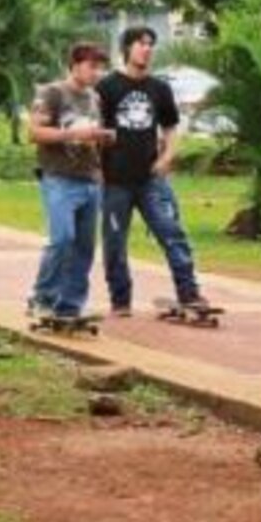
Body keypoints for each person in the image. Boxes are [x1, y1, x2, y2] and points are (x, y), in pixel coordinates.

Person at [97, 25, 206, 315]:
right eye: (141, 44)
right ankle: (120, 299)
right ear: (127, 48)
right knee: (114, 242)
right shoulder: (107, 87)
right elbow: (95, 130)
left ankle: (189, 292)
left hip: (150, 179)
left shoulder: (159, 88)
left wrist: (167, 156)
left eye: (150, 44)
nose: (146, 49)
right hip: (114, 180)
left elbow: (170, 128)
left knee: (171, 232)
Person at [27, 42, 115, 318]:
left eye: (100, 68)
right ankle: (42, 298)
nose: (96, 72)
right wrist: (73, 135)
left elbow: (92, 136)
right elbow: (34, 133)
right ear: (74, 65)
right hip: (59, 178)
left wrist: (103, 138)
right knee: (62, 239)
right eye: (92, 66)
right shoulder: (52, 93)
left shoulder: (94, 98)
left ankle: (71, 304)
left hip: (90, 180)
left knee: (85, 247)